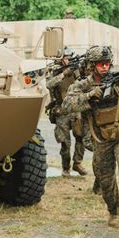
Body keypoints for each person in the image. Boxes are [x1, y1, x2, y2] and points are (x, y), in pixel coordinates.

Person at [62, 46, 119, 238]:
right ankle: (113, 212)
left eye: (107, 63)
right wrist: (89, 96)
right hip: (101, 139)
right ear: (92, 66)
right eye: (101, 64)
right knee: (106, 179)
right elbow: (66, 105)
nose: (105, 67)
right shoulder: (82, 85)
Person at [46, 46, 87, 178]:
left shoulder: (77, 70)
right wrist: (63, 74)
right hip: (61, 110)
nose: (67, 59)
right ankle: (65, 168)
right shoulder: (54, 71)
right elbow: (49, 84)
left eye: (69, 57)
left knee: (81, 137)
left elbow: (85, 80)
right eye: (65, 57)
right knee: (65, 142)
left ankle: (78, 163)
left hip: (75, 109)